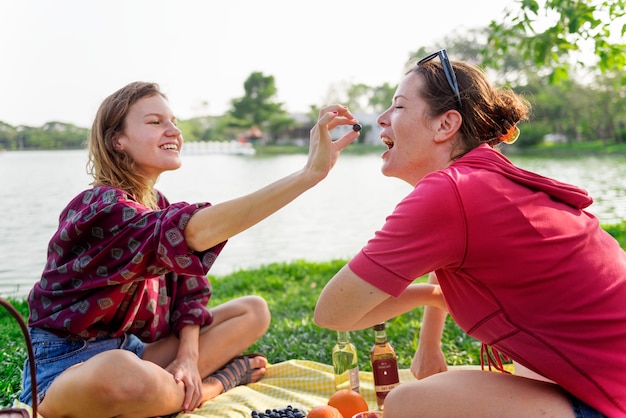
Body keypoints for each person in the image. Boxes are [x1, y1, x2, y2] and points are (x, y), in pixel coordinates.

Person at [314, 49, 626, 418]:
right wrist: (429, 338)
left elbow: (333, 312)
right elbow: (450, 252)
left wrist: (428, 295)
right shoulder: (484, 178)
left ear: (446, 125)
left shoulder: (448, 194)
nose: (381, 120)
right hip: (611, 370)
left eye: (398, 107)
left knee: (408, 404)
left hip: (614, 392)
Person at [20, 81, 360, 418]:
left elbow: (188, 295)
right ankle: (216, 385)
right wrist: (307, 175)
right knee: (117, 371)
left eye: (174, 122)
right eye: (155, 122)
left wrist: (188, 357)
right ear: (117, 140)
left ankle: (172, 386)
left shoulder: (157, 205)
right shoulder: (101, 206)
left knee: (253, 310)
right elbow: (195, 232)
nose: (173, 131)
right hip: (64, 366)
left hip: (134, 353)